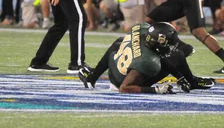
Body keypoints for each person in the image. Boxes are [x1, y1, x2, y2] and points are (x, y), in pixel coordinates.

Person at [79, 22, 215, 93]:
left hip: (116, 67)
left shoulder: (142, 29)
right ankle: (192, 82)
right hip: (124, 82)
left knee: (119, 41)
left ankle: (92, 77)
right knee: (177, 55)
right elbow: (124, 89)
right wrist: (156, 90)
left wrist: (179, 77)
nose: (171, 46)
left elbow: (159, 54)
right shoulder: (148, 61)